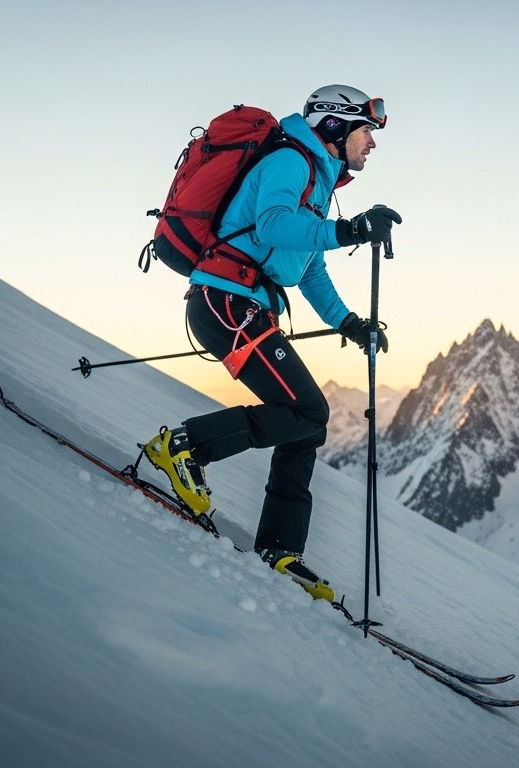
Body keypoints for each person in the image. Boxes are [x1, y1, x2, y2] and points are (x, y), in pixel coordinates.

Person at [142, 84, 401, 601]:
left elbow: (309, 269)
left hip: (244, 306)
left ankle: (280, 550)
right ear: (335, 125)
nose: (372, 143)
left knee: (305, 421)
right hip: (226, 301)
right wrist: (347, 230)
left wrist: (349, 322)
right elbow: (275, 225)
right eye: (367, 130)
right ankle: (181, 447)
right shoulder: (290, 160)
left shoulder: (317, 181)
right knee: (307, 410)